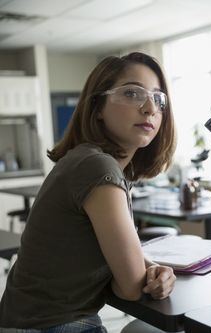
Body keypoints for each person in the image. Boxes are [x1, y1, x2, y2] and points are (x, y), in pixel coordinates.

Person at [0, 52, 177, 331]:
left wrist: (153, 266)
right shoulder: (97, 167)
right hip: (52, 325)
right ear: (97, 107)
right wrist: (147, 273)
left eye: (158, 98)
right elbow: (129, 288)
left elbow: (117, 263)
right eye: (132, 93)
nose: (149, 108)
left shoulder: (87, 159)